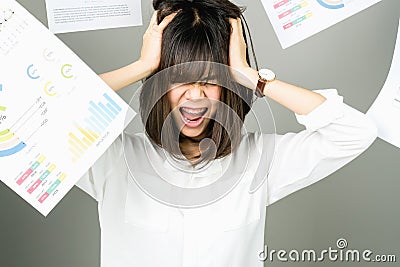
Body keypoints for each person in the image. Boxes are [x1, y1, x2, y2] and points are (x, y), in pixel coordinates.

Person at [76, 0, 378, 266]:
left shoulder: (258, 161)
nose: (195, 96)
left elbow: (354, 132)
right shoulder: (113, 160)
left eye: (210, 80)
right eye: (179, 79)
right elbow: (51, 110)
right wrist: (141, 66)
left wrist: (252, 78)